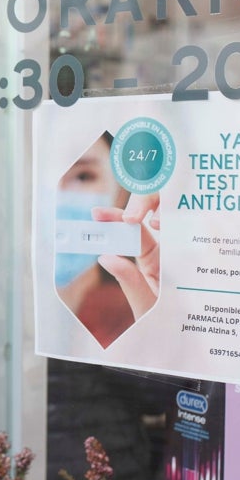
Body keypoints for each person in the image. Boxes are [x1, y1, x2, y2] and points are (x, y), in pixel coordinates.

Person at [54, 133, 162, 346]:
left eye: (83, 177)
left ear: (120, 193)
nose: (56, 195)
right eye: (42, 180)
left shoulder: (138, 317)